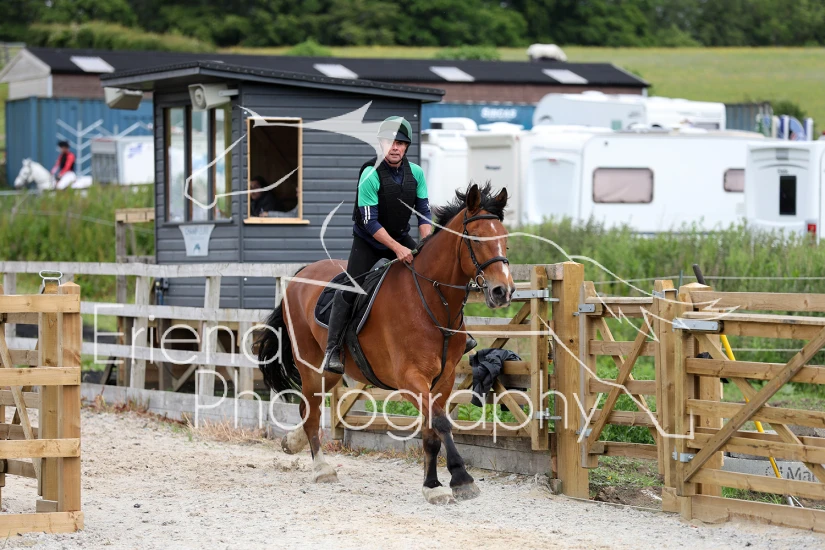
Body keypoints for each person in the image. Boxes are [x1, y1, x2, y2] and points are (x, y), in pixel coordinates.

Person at [321, 116, 476, 374]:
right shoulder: (370, 174)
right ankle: (332, 349)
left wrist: (427, 242)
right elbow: (370, 222)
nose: (395, 147)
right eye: (390, 142)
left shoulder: (416, 173)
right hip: (369, 240)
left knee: (437, 273)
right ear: (381, 144)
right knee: (350, 287)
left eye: (401, 143)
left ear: (406, 147)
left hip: (400, 235)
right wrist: (397, 248)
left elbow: (423, 212)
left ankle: (459, 332)